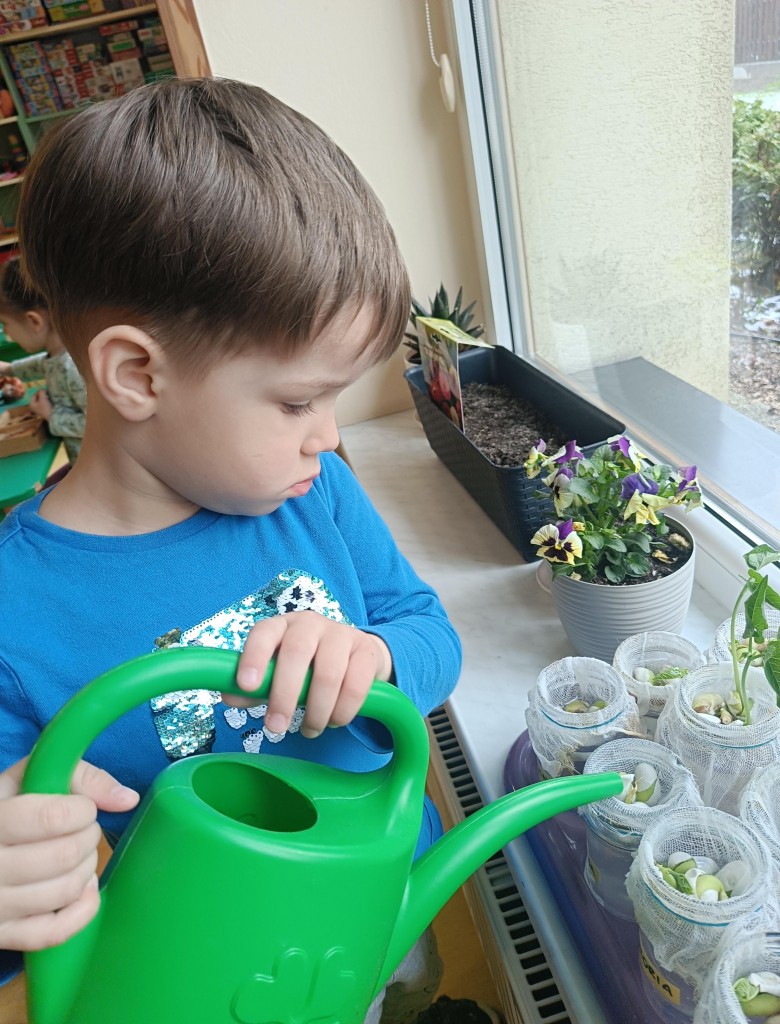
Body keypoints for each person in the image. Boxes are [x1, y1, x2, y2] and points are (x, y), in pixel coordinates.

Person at [0, 77, 463, 1024]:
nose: (328, 436)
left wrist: (374, 657)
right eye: (298, 401)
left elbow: (428, 630)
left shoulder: (314, 489)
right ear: (136, 374)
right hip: (212, 979)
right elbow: (27, 929)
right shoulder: (17, 612)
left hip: (370, 904)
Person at [0, 256, 87, 468]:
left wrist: (50, 414)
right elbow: (43, 364)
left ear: (33, 320)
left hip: (95, 472)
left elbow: (98, 426)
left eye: (5, 324)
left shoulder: (72, 367)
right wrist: (9, 369)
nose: (7, 334)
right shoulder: (60, 354)